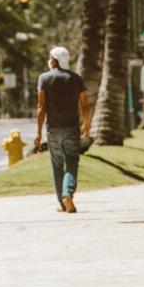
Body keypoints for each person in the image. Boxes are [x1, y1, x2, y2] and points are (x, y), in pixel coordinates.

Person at [34, 46, 91, 213]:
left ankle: (62, 202)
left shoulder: (44, 78)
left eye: (51, 58)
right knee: (72, 162)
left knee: (57, 166)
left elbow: (40, 106)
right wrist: (86, 125)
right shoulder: (76, 78)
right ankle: (68, 195)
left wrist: (38, 132)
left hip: (53, 129)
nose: (49, 60)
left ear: (54, 60)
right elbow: (85, 105)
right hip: (72, 129)